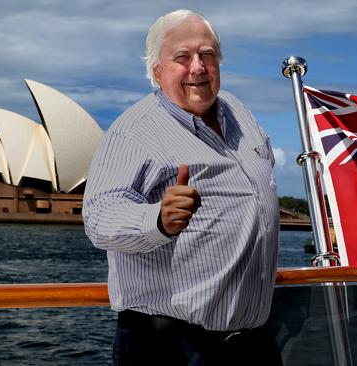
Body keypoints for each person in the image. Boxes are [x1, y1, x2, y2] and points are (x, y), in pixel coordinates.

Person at [83, 9, 281, 366]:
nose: (198, 67)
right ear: (156, 72)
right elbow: (99, 217)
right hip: (171, 347)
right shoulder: (134, 131)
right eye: (182, 57)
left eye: (207, 54)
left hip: (252, 344)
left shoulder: (238, 112)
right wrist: (157, 219)